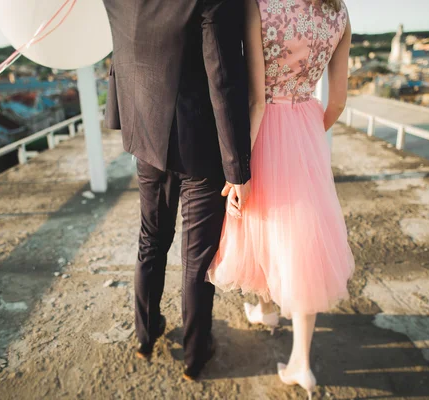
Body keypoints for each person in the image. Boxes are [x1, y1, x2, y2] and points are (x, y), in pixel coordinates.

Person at [207, 0, 354, 396]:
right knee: (303, 238)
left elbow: (257, 99)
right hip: (306, 124)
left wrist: (240, 170)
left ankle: (270, 313)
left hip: (267, 125)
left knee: (262, 219)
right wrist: (305, 133)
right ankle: (299, 359)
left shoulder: (261, 6)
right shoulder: (339, 14)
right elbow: (337, 101)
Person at [102, 0, 252, 381]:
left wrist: (120, 115)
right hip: (200, 145)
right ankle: (195, 356)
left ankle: (145, 334)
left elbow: (122, 49)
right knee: (196, 259)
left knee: (151, 239)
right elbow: (224, 75)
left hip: (146, 135)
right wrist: (237, 168)